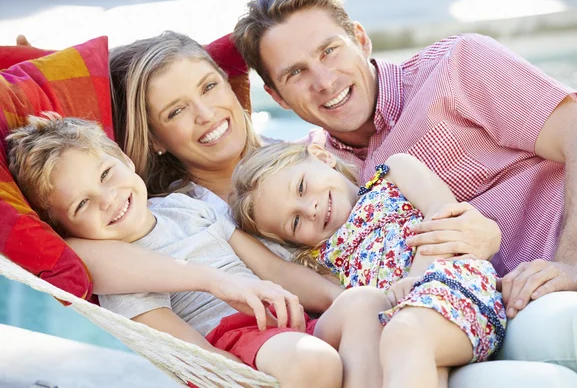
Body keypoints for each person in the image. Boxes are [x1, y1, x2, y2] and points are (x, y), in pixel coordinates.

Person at [231, 0, 577, 383]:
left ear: (360, 38)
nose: (323, 80)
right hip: (461, 325)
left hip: (573, 264)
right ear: (276, 96)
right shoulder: (312, 181)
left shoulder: (457, 65)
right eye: (295, 72)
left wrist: (573, 261)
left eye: (329, 51)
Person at [8, 113, 416, 387]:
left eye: (106, 174)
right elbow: (185, 349)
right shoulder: (119, 271)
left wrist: (335, 298)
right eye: (82, 204)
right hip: (236, 341)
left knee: (365, 303)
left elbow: (269, 267)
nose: (108, 199)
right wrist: (229, 375)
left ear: (122, 159)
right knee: (316, 361)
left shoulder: (188, 206)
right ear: (64, 225)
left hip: (289, 320)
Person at [230, 141, 507, 387]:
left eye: (301, 187)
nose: (310, 209)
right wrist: (227, 233)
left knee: (404, 332)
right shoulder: (326, 262)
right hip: (405, 326)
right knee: (409, 353)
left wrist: (416, 282)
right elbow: (278, 271)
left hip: (453, 288)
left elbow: (444, 215)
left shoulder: (395, 173)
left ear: (321, 156)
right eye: (295, 222)